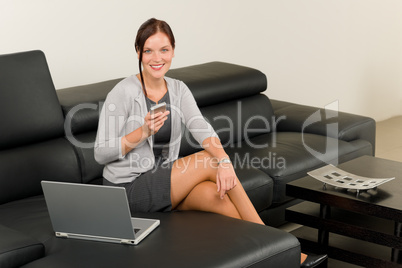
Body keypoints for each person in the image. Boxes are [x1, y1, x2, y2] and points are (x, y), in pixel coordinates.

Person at [94, 18, 326, 268]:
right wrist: (142, 132)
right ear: (138, 52)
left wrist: (224, 162)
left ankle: (273, 260)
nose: (156, 58)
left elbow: (203, 129)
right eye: (148, 51)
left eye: (164, 50)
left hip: (164, 182)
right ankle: (285, 247)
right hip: (127, 189)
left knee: (219, 197)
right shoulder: (124, 91)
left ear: (173, 50)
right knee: (208, 159)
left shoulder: (178, 89)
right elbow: (100, 153)